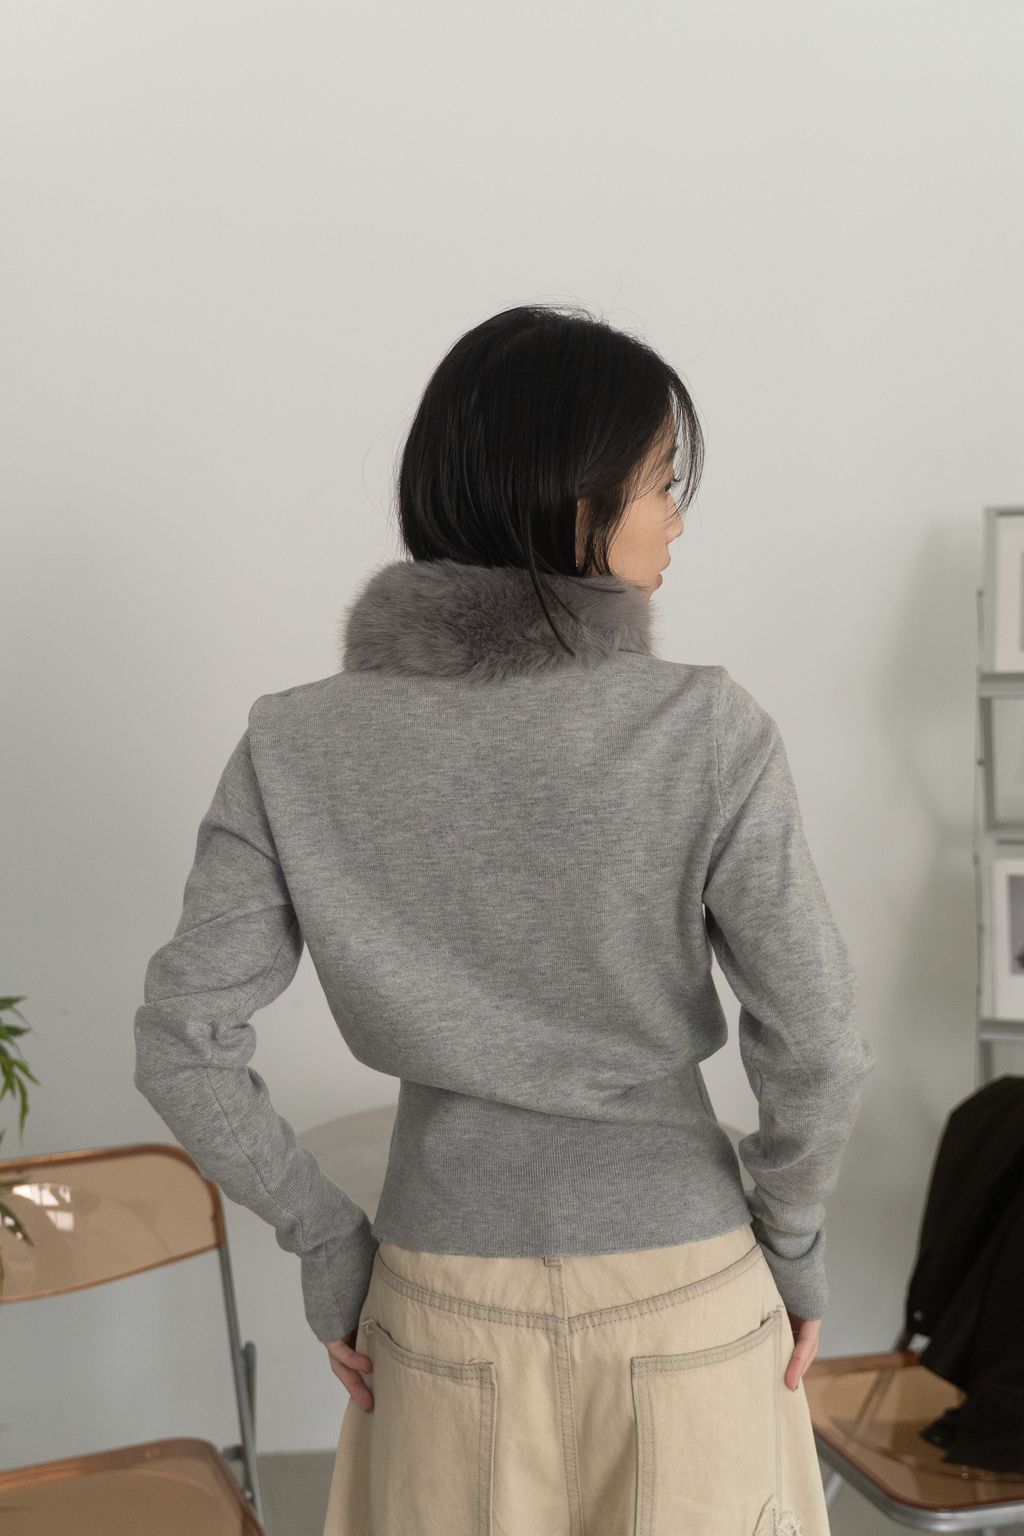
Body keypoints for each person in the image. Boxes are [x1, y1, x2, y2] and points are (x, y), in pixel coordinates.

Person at [133, 302, 876, 1535]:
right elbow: (818, 1043)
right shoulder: (704, 729)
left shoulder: (297, 742)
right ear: (578, 502)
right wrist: (791, 1239)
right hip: (684, 1286)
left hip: (440, 1301)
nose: (677, 518)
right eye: (663, 482)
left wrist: (326, 1242)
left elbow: (181, 1042)